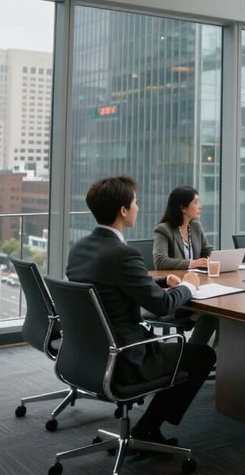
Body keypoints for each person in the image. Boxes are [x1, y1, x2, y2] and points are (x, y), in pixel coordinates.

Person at [66, 175, 215, 444]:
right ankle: (148, 429)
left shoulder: (80, 247)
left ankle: (147, 427)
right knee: (202, 355)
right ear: (123, 211)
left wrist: (158, 280)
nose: (138, 207)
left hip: (88, 352)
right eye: (135, 202)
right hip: (125, 355)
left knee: (193, 354)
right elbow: (162, 305)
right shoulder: (123, 254)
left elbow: (109, 281)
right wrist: (190, 286)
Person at [152, 186, 218, 346]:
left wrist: (216, 257)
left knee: (217, 309)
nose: (200, 205)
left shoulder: (195, 226)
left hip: (198, 285)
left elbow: (207, 250)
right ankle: (195, 351)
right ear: (182, 207)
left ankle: (202, 352)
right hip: (176, 290)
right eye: (196, 202)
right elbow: (160, 261)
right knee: (214, 312)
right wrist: (192, 263)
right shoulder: (164, 229)